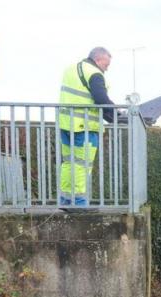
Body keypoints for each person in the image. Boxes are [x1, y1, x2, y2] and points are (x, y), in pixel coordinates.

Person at [58, 47, 118, 206]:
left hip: (66, 124)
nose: (107, 68)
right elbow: (100, 99)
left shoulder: (70, 69)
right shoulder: (95, 73)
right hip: (84, 126)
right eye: (106, 64)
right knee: (82, 165)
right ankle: (79, 202)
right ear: (98, 60)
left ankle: (65, 200)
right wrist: (118, 115)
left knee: (68, 163)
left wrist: (112, 117)